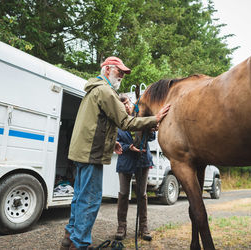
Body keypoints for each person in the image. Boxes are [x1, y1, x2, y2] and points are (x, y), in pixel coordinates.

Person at [60, 56, 170, 250]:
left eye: (123, 74)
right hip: (91, 155)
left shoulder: (93, 90)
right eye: (119, 71)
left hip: (81, 153)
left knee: (79, 197)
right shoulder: (105, 91)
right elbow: (125, 123)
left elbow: (96, 124)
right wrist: (156, 118)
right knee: (90, 200)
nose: (121, 76)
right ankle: (80, 245)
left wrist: (112, 145)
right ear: (108, 69)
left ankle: (69, 238)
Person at [115, 94, 155, 241]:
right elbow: (115, 140)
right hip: (125, 160)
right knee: (124, 193)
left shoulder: (141, 117)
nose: (126, 106)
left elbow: (151, 138)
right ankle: (121, 227)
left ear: (131, 103)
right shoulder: (117, 120)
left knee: (142, 194)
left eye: (127, 103)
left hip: (142, 160)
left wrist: (150, 131)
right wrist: (128, 147)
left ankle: (143, 227)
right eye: (122, 104)